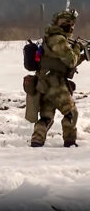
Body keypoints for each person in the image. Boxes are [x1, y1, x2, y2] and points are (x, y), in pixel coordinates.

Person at [31, 9, 85, 147]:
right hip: (55, 83)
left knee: (46, 117)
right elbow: (71, 60)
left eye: (72, 23)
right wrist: (78, 49)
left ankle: (37, 141)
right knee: (71, 113)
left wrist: (83, 56)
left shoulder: (51, 37)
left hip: (45, 83)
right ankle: (70, 141)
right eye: (66, 22)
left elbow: (64, 64)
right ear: (58, 22)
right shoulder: (58, 39)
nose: (70, 26)